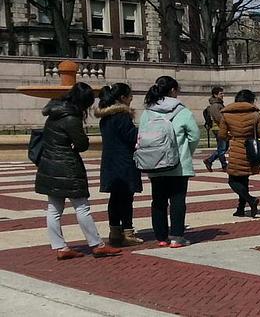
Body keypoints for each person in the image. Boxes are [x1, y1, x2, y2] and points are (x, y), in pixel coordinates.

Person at [35, 83, 121, 260]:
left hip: (49, 165)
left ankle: (60, 247)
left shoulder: (54, 113)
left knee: (53, 209)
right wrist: (82, 141)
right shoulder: (71, 118)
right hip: (68, 166)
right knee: (82, 207)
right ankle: (97, 245)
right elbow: (81, 144)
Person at [141, 76, 200, 247]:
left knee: (158, 200)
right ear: (173, 91)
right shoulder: (182, 111)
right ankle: (177, 237)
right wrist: (186, 151)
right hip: (178, 165)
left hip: (155, 161)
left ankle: (161, 237)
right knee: (177, 200)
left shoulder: (147, 111)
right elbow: (194, 136)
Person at [96, 83, 142, 247]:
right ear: (122, 98)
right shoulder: (122, 116)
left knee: (114, 199)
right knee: (126, 199)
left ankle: (115, 232)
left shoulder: (106, 117)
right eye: (130, 96)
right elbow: (131, 137)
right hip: (124, 161)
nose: (131, 99)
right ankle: (128, 232)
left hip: (110, 161)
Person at [217, 90, 260, 218]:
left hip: (236, 149)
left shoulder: (226, 115)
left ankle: (249, 200)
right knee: (244, 179)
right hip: (250, 150)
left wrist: (232, 137)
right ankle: (241, 208)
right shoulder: (256, 115)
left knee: (233, 180)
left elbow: (221, 135)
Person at [203, 87, 227, 172]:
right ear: (215, 94)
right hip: (218, 128)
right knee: (222, 148)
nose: (223, 95)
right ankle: (224, 165)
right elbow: (218, 118)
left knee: (223, 147)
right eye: (221, 93)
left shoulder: (219, 104)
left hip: (220, 128)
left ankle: (209, 160)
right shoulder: (215, 105)